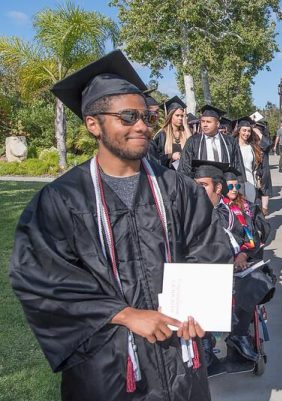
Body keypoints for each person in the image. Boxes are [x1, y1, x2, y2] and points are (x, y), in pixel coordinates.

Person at [9, 50, 231, 401]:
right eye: (128, 117)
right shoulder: (61, 201)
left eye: (145, 115)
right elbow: (41, 279)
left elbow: (211, 250)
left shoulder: (177, 189)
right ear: (93, 124)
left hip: (179, 353)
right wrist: (124, 314)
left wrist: (198, 308)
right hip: (110, 363)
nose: (141, 125)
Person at [189, 160, 272, 372]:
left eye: (203, 185)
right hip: (202, 271)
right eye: (195, 184)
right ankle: (205, 344)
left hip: (234, 268)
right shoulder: (188, 213)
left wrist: (243, 255)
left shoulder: (233, 212)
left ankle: (239, 335)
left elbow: (250, 240)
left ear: (218, 187)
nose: (197, 190)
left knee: (255, 282)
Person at [178, 104, 237, 175]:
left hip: (225, 183)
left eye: (208, 122)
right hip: (199, 183)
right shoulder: (193, 141)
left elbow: (237, 165)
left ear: (217, 124)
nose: (204, 125)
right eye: (203, 121)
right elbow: (184, 167)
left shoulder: (230, 142)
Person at [150, 96, 192, 170]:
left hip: (184, 173)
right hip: (166, 172)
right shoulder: (162, 134)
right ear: (170, 116)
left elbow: (192, 147)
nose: (180, 118)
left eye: (182, 116)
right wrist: (171, 156)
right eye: (177, 115)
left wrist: (186, 126)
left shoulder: (185, 133)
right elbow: (154, 158)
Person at [233, 117, 266, 204]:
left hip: (250, 181)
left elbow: (257, 166)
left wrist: (258, 179)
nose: (246, 133)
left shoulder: (253, 147)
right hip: (236, 182)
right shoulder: (232, 146)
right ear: (239, 130)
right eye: (244, 130)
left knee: (250, 208)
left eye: (249, 131)